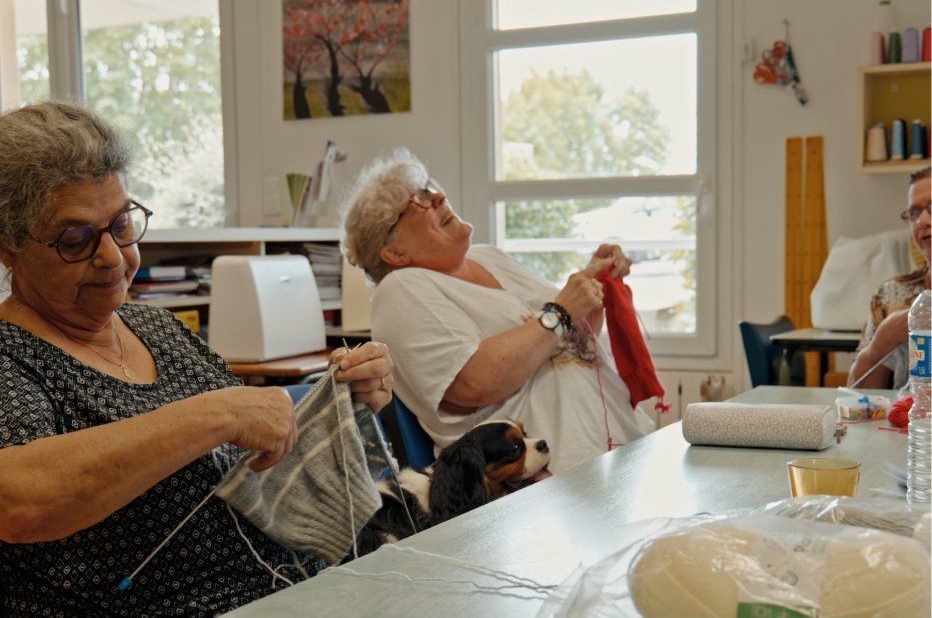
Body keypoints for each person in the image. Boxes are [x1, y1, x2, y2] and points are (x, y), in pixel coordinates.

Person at [0, 102, 396, 616]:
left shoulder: (159, 331)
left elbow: (257, 467)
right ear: (8, 246)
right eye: (76, 239)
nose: (114, 258)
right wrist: (219, 414)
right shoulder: (12, 357)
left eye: (121, 224)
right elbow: (21, 501)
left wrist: (346, 406)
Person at [342, 149, 656, 474]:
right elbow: (476, 381)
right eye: (418, 200)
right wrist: (562, 311)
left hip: (622, 450)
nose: (438, 197)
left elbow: (566, 339)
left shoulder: (489, 257)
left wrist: (593, 284)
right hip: (546, 483)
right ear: (395, 252)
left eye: (430, 187)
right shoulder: (400, 289)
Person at [848, 166, 931, 389]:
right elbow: (858, 397)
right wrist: (883, 340)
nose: (923, 220)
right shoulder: (891, 296)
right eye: (914, 212)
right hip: (907, 422)